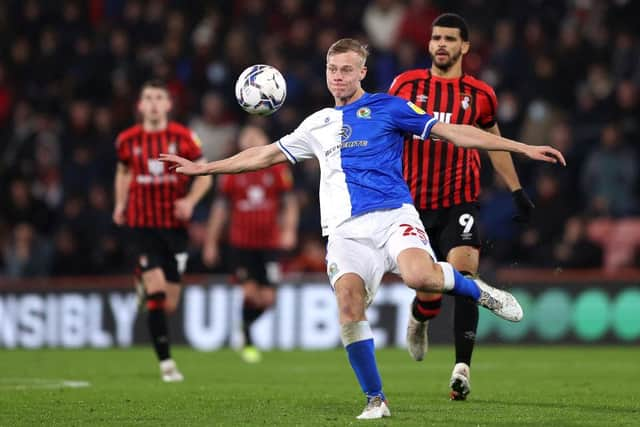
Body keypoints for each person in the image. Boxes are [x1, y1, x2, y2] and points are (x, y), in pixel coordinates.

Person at [160, 39, 564, 419]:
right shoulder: (317, 123)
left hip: (393, 217)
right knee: (349, 305)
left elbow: (453, 132)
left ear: (362, 72)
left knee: (419, 276)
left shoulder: (390, 108)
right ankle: (376, 399)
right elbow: (264, 155)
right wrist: (205, 167)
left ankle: (480, 291)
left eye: (346, 69)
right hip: (345, 233)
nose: (338, 76)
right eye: (332, 69)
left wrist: (521, 148)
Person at [388, 13, 535, 400]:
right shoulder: (406, 85)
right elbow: (386, 132)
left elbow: (493, 142)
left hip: (460, 198)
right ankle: (420, 318)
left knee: (465, 275)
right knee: (428, 289)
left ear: (464, 47)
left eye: (449, 39)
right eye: (436, 37)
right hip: (412, 203)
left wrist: (516, 189)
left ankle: (462, 369)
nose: (440, 44)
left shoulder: (481, 95)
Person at [112, 80, 212, 382]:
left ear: (168, 105)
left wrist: (191, 201)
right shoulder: (127, 140)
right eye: (148, 98)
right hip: (142, 226)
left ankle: (144, 284)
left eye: (159, 98)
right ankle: (167, 364)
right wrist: (120, 204)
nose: (153, 103)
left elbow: (204, 174)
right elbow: (124, 172)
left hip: (175, 229)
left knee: (168, 303)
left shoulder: (183, 138)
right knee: (156, 293)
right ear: (140, 106)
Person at [202, 124, 298, 363]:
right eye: (248, 136)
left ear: (265, 140)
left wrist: (289, 230)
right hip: (241, 245)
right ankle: (246, 336)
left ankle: (244, 327)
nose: (252, 139)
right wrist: (210, 242)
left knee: (268, 298)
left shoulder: (276, 169)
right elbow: (220, 210)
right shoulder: (232, 172)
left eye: (257, 135)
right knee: (251, 293)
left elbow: (290, 203)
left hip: (269, 244)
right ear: (241, 142)